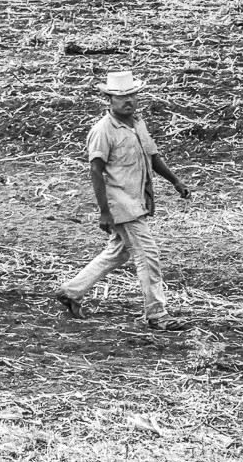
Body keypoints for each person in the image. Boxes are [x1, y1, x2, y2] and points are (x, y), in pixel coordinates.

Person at [55, 70, 193, 332]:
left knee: (117, 253)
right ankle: (157, 314)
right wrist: (104, 212)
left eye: (131, 95)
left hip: (137, 199)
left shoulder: (137, 123)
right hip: (122, 204)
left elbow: (152, 156)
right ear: (109, 99)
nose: (128, 100)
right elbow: (95, 171)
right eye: (121, 96)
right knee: (147, 255)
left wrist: (175, 181)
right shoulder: (103, 130)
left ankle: (71, 292)